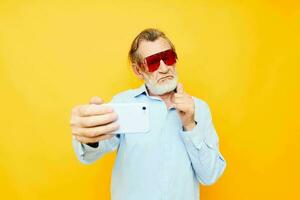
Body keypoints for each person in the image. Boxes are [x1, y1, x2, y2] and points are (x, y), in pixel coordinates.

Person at [70, 28, 226, 200]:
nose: (164, 68)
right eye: (153, 62)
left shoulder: (199, 108)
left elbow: (210, 175)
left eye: (168, 57)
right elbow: (91, 155)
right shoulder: (123, 104)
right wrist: (90, 137)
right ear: (138, 71)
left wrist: (190, 125)